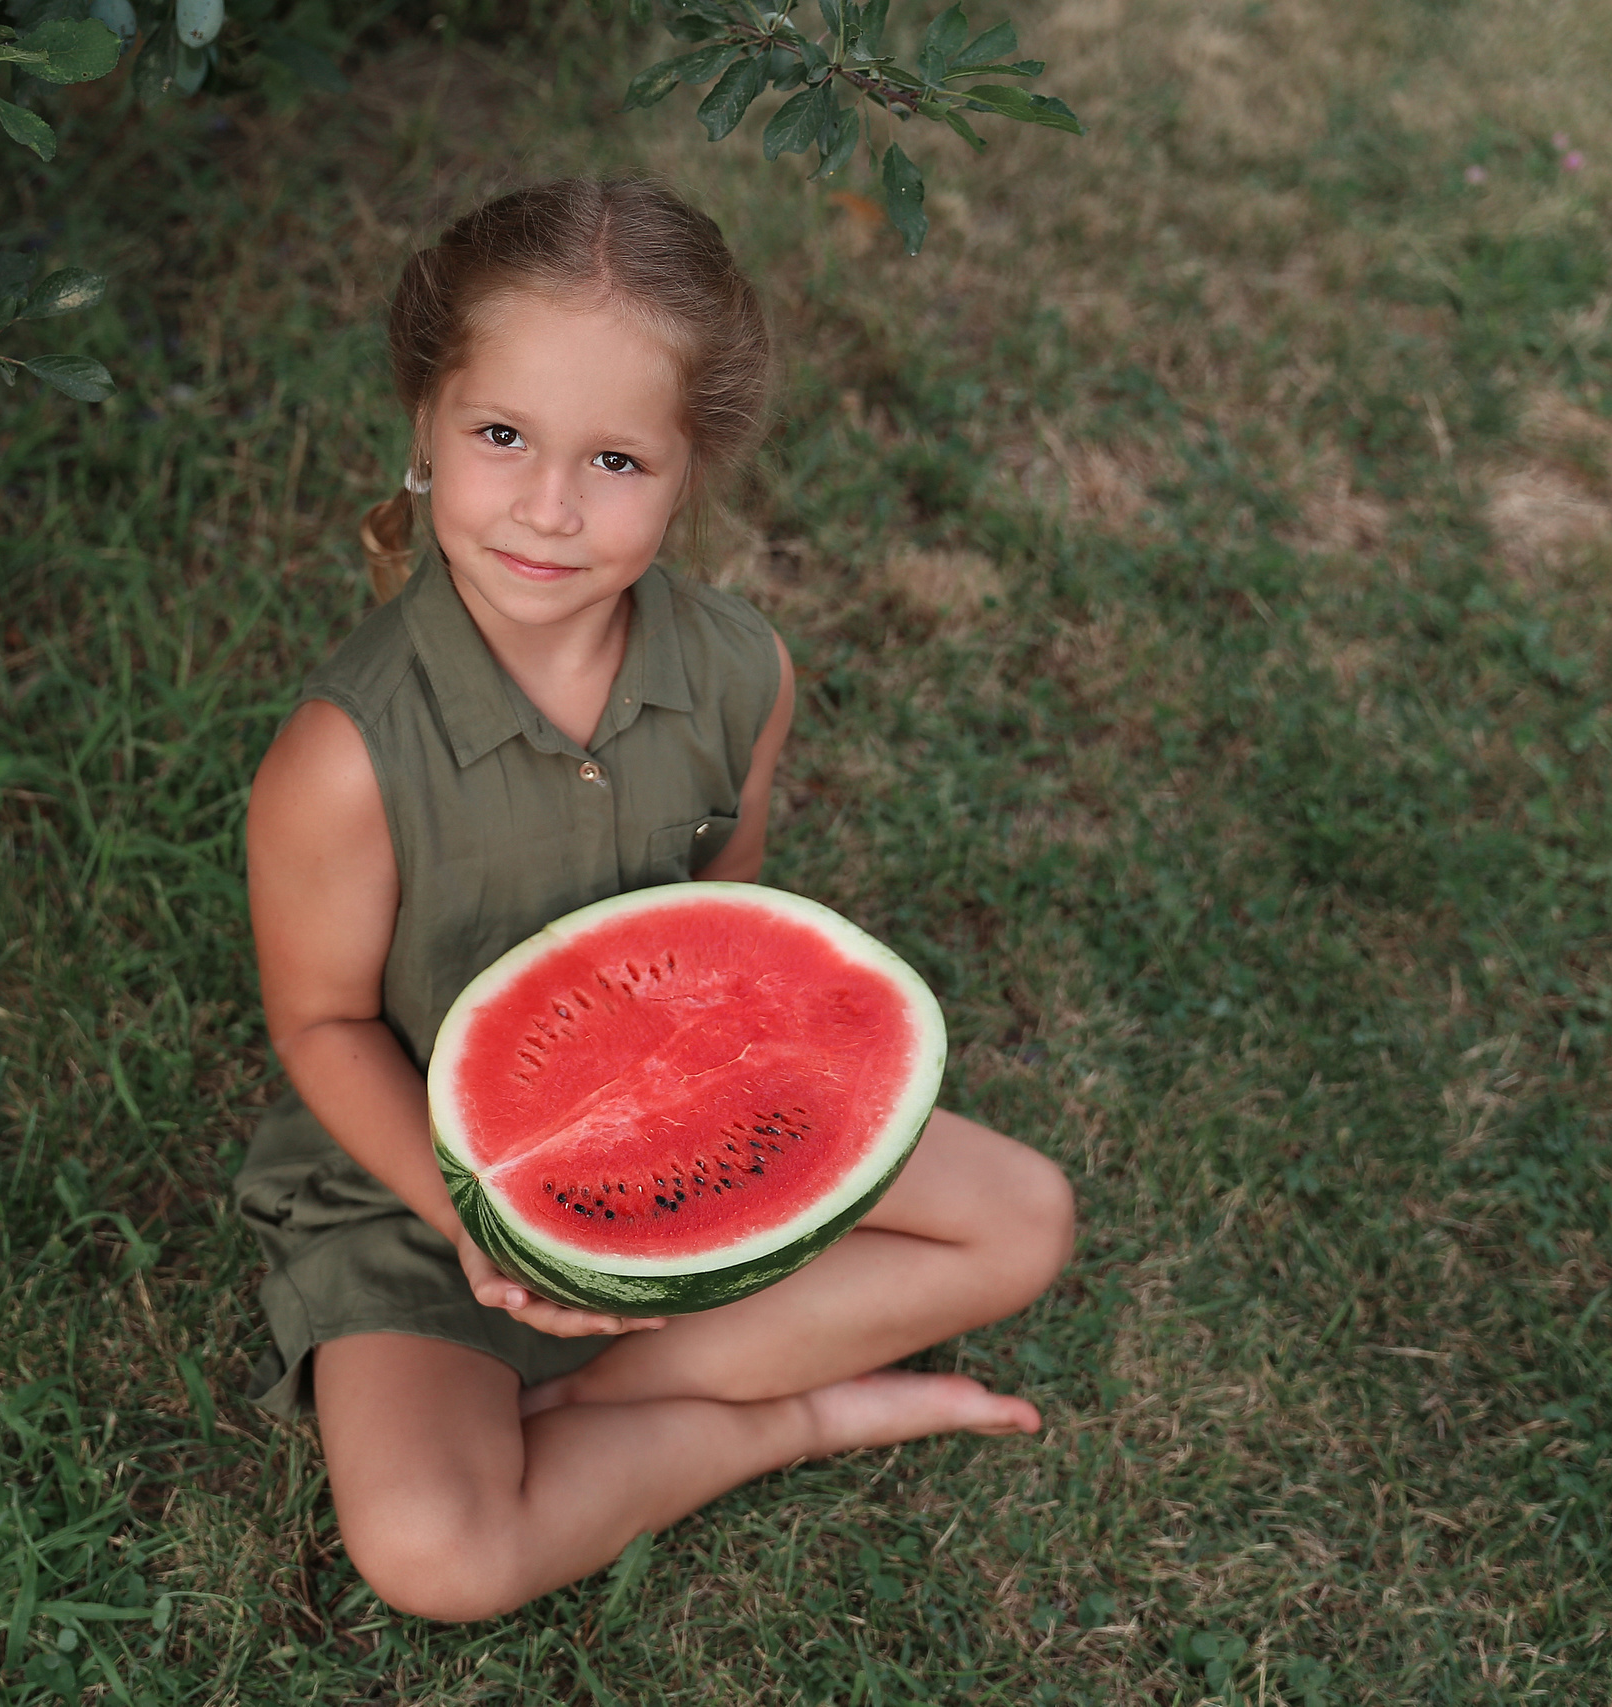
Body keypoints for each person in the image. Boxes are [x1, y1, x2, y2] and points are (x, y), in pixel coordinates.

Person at [238, 179, 1075, 1623]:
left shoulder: (743, 672)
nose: (548, 509)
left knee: (1024, 1220)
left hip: (678, 1126)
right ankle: (775, 1418)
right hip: (415, 1189)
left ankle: (605, 1399)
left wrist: (674, 1216)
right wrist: (473, 1216)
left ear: (694, 469)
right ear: (427, 428)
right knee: (438, 1554)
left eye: (617, 459)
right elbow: (318, 1026)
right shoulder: (341, 761)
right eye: (502, 437)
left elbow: (715, 928)